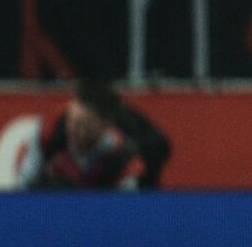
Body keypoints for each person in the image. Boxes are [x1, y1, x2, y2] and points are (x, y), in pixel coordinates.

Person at [27, 78, 170, 190]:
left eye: (86, 126)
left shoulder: (124, 156)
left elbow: (129, 209)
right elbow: (23, 188)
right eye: (72, 122)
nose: (76, 131)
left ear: (106, 125)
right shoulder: (48, 132)